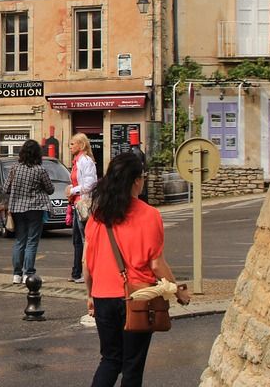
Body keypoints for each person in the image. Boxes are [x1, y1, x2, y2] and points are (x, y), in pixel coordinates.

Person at [84, 153, 191, 387]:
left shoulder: (98, 215)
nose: (143, 180)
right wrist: (178, 290)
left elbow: (87, 264)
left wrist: (90, 294)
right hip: (137, 298)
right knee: (132, 365)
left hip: (103, 296)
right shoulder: (149, 215)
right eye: (142, 176)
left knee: (110, 359)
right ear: (135, 181)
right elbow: (156, 265)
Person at [3, 139, 53, 284]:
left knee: (20, 241)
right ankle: (28, 273)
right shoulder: (40, 170)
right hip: (35, 208)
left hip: (17, 209)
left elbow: (5, 189)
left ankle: (16, 274)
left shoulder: (14, 168)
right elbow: (50, 189)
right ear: (38, 154)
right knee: (32, 242)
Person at [68, 133, 97, 283]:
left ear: (81, 145)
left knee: (86, 240)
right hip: (76, 204)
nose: (70, 146)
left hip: (83, 204)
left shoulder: (85, 161)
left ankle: (87, 272)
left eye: (72, 144)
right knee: (77, 241)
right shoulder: (76, 162)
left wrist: (72, 190)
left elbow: (90, 184)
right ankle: (76, 272)